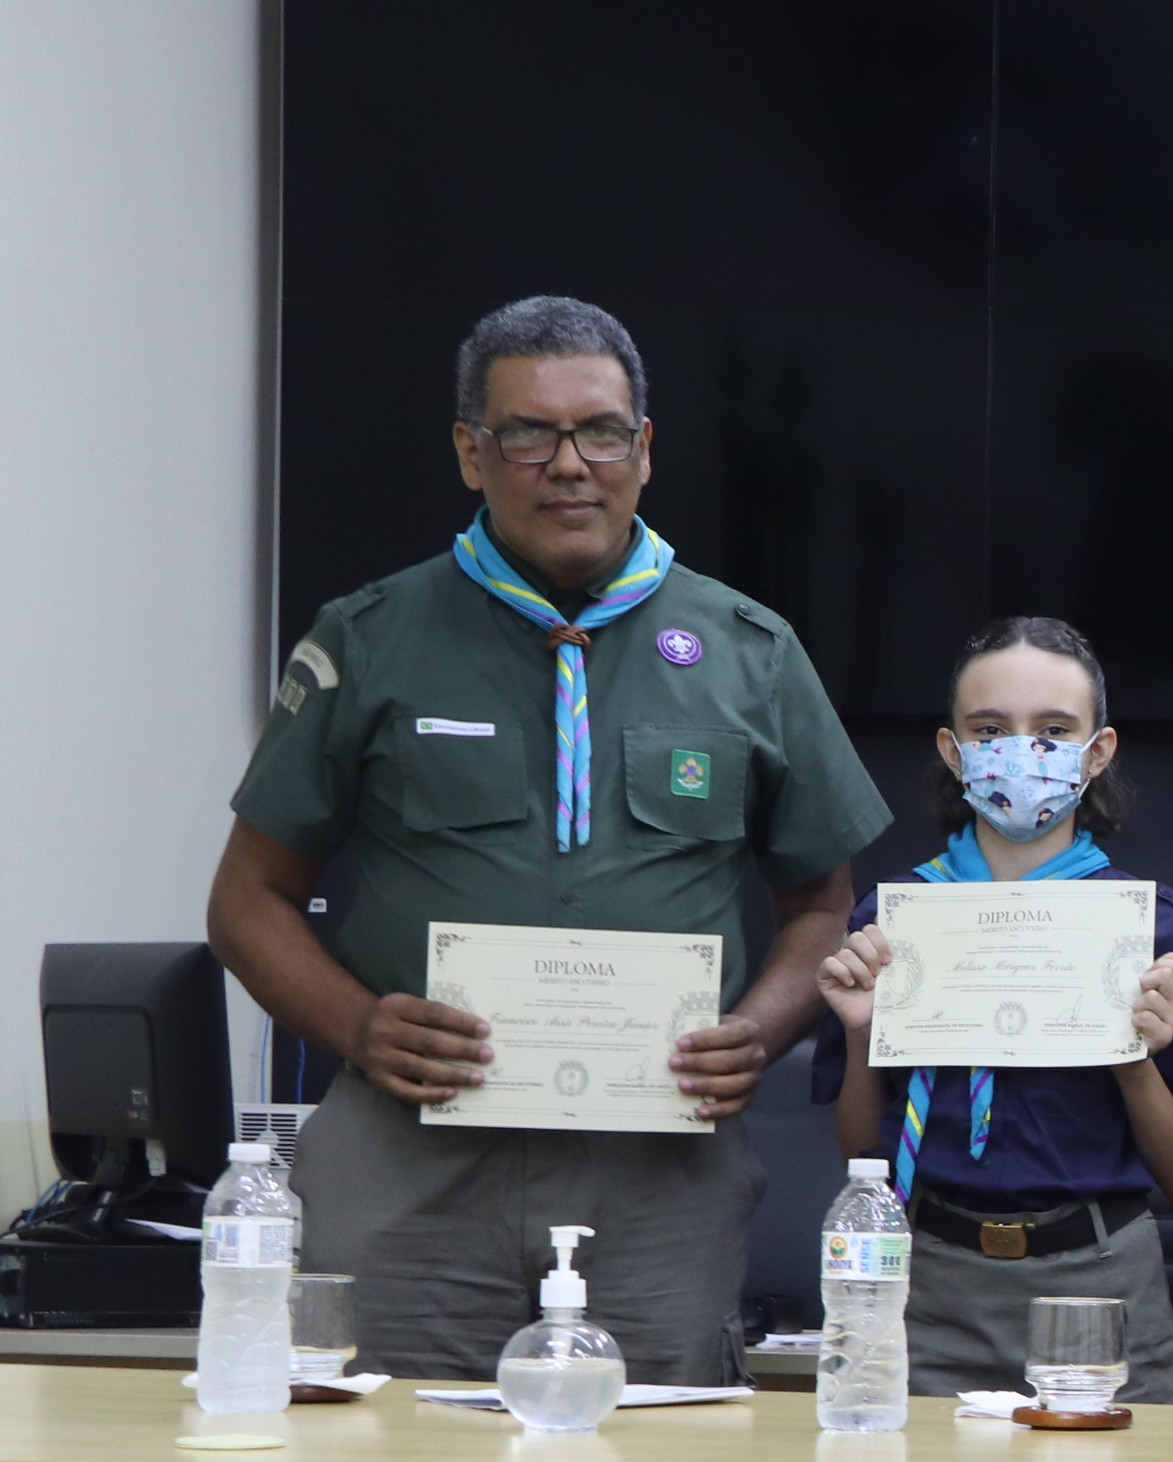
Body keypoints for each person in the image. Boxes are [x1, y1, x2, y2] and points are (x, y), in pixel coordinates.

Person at [205, 295, 888, 1383]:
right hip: (408, 1155)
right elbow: (246, 898)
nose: (570, 464)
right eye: (531, 432)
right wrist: (360, 1022)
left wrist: (757, 1031)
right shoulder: (371, 638)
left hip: (658, 1166)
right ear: (472, 452)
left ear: (644, 449)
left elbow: (821, 906)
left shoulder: (750, 650)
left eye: (601, 431)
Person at [811, 617, 1173, 1402]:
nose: (1020, 752)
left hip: (1100, 1276)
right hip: (927, 1277)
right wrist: (864, 1037)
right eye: (990, 730)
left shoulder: (1145, 924)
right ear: (952, 751)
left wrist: (1131, 1059)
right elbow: (865, 1159)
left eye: (1053, 731)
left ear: (1098, 753)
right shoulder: (894, 919)